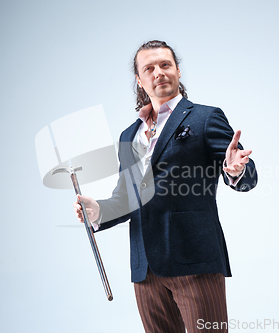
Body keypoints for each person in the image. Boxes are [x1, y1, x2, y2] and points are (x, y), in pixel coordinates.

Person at [74, 40, 257, 333]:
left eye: (165, 65)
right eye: (149, 68)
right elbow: (126, 199)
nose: (158, 72)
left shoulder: (205, 117)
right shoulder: (128, 134)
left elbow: (247, 176)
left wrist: (236, 169)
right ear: (139, 79)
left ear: (178, 71)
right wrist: (97, 210)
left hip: (194, 261)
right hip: (145, 267)